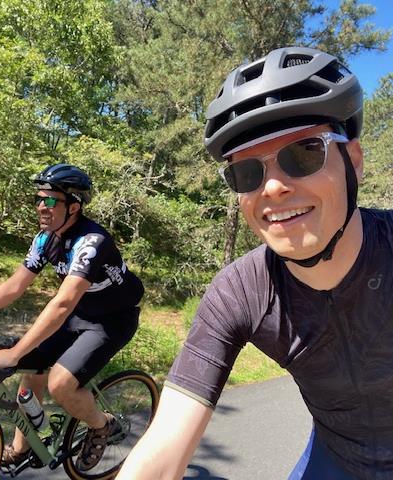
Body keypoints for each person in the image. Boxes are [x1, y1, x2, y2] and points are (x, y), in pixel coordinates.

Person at [117, 46, 393, 480]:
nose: (274, 187)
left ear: (353, 161)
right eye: (247, 172)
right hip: (338, 458)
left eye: (304, 153)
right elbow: (164, 446)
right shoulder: (241, 292)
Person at [0, 163, 144, 471]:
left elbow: (62, 303)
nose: (41, 207)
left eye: (49, 201)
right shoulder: (46, 238)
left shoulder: (92, 242)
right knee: (30, 367)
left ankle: (102, 424)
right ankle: (22, 449)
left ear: (74, 206)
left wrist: (14, 353)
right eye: (38, 199)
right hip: (79, 313)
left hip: (111, 321)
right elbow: (15, 285)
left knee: (60, 385)